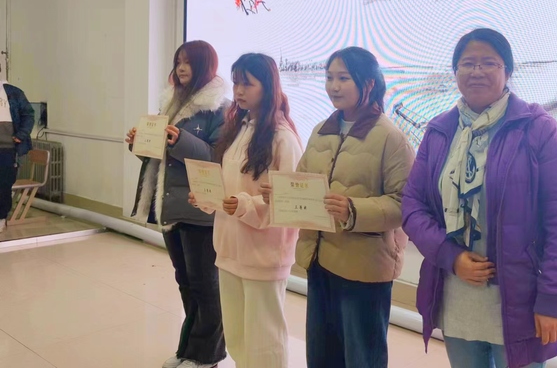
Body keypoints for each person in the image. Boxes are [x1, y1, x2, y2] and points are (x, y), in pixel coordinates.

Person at [402, 28, 557, 368]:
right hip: (456, 294)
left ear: (507, 71)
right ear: (455, 72)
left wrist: (553, 299)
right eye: (467, 63)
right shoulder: (440, 131)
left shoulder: (537, 129)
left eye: (489, 63)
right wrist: (451, 256)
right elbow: (412, 206)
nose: (477, 71)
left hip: (520, 300)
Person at [262, 47, 414, 368]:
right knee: (322, 353)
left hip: (364, 267)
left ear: (369, 83)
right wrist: (280, 192)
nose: (333, 86)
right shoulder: (321, 131)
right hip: (320, 260)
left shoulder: (391, 138)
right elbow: (304, 181)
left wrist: (353, 210)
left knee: (362, 356)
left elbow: (404, 205)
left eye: (344, 78)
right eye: (329, 77)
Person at [189, 53, 303, 368]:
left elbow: (290, 203)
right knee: (238, 337)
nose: (238, 91)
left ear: (268, 87)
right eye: (236, 83)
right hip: (229, 250)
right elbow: (229, 187)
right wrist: (207, 197)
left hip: (263, 255)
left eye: (247, 84)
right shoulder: (239, 128)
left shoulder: (283, 138)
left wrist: (244, 205)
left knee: (265, 339)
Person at [126, 40, 228, 368]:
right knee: (185, 281)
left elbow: (217, 157)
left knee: (205, 285)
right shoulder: (169, 103)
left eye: (189, 62)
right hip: (170, 204)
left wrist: (180, 140)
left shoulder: (220, 108)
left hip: (201, 207)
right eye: (178, 62)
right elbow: (159, 157)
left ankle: (208, 355)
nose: (181, 68)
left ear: (205, 66)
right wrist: (139, 144)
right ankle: (188, 349)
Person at [0, 70, 34, 232]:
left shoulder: (14, 93)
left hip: (7, 148)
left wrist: (21, 135)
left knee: (4, 184)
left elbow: (28, 115)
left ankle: (1, 217)